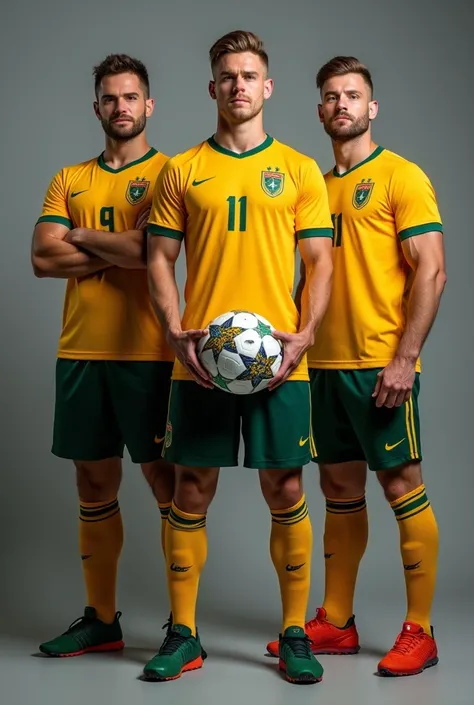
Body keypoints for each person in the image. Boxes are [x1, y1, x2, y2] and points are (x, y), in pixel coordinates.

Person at [144, 30, 334, 684]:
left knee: (285, 487)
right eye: (227, 76)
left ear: (268, 86)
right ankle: (185, 632)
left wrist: (305, 332)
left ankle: (293, 631)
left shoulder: (303, 170)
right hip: (200, 358)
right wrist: (174, 330)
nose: (238, 86)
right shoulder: (183, 168)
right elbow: (158, 258)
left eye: (249, 75)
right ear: (212, 88)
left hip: (281, 359)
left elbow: (320, 262)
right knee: (190, 489)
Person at [266, 55, 447, 678]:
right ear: (319, 110)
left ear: (371, 108)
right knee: (339, 489)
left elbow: (432, 268)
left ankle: (419, 631)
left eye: (353, 95)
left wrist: (405, 357)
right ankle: (337, 622)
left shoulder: (401, 176)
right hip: (319, 367)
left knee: (400, 485)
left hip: (379, 366)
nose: (341, 104)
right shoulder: (314, 186)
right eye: (330, 96)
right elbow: (309, 278)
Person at [31, 54, 175, 657]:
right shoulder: (69, 178)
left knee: (166, 483)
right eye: (111, 98)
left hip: (150, 353)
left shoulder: (172, 173)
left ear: (150, 104)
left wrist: (83, 236)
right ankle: (102, 619)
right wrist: (125, 247)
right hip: (81, 352)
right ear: (98, 108)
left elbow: (153, 253)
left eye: (132, 97)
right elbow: (42, 259)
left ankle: (182, 623)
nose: (122, 107)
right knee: (93, 482)